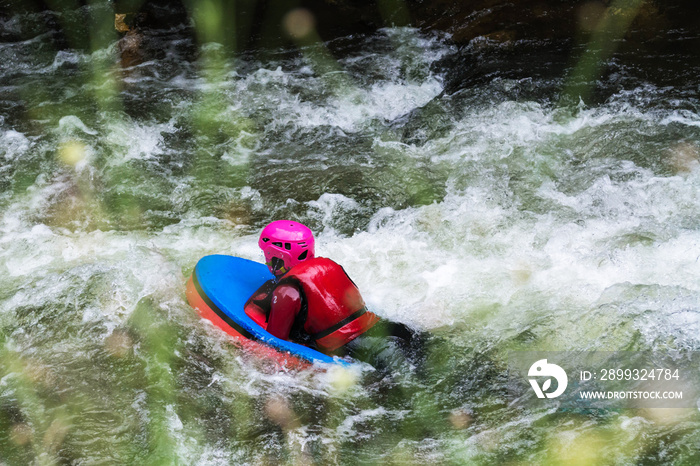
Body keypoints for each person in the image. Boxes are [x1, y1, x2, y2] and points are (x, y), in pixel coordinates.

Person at [244, 220, 423, 368]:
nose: (266, 260)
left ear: (278, 256)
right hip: (388, 330)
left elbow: (276, 344)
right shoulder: (331, 266)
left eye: (266, 255)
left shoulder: (287, 291)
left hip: (357, 351)